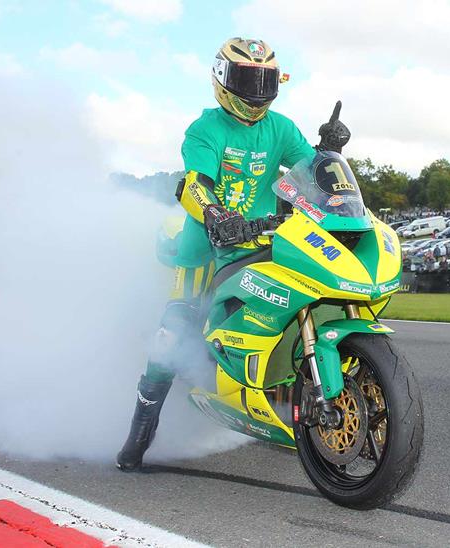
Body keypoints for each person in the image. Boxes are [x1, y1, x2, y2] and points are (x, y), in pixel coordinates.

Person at [116, 38, 350, 471]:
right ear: (223, 80)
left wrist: (330, 151)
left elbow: (310, 172)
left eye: (265, 78)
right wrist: (212, 213)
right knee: (172, 337)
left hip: (262, 240)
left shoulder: (280, 127)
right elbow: (194, 182)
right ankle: (138, 437)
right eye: (247, 78)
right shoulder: (205, 130)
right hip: (206, 248)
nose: (257, 89)